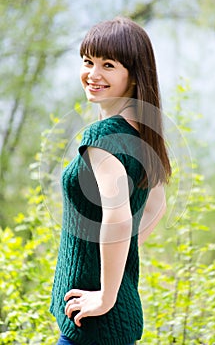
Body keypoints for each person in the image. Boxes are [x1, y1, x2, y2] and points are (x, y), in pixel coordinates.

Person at [50, 17, 171, 345]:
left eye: (108, 65)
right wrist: (121, 254)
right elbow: (155, 204)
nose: (93, 74)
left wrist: (104, 295)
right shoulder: (144, 134)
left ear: (134, 75)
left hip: (91, 320)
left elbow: (118, 218)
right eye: (88, 61)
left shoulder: (102, 136)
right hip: (116, 317)